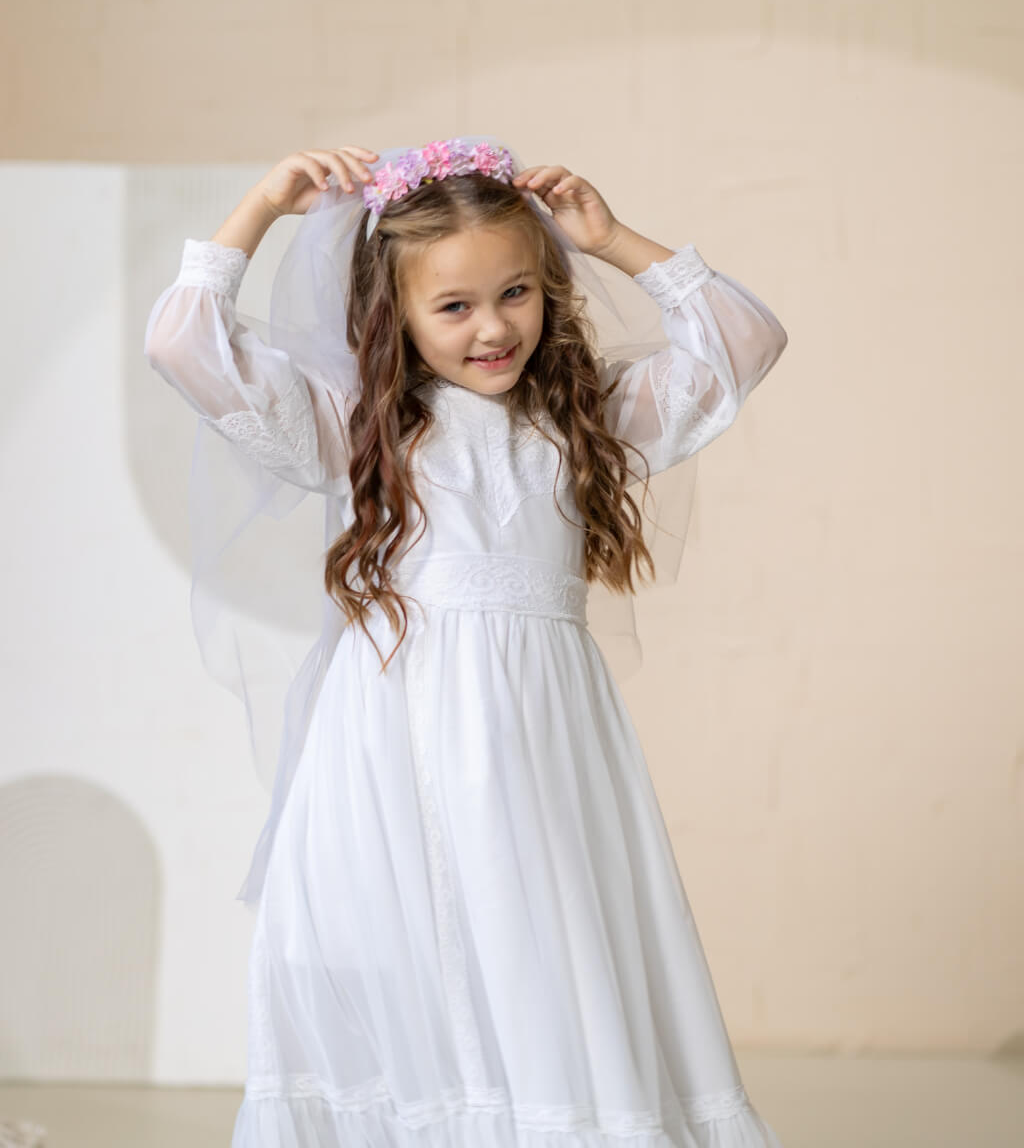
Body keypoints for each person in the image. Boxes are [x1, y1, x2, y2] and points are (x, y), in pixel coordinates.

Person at [143, 136, 788, 1146]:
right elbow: (184, 342)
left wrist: (613, 238)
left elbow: (743, 342)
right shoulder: (361, 423)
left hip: (542, 740)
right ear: (390, 312)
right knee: (418, 944)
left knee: (545, 944)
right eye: (452, 306)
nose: (493, 328)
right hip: (399, 734)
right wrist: (264, 206)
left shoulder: (581, 418)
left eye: (518, 293)